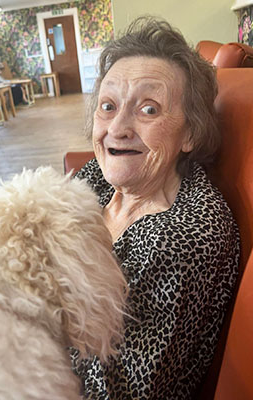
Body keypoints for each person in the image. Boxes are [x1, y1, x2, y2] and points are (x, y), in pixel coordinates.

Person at [69, 18, 239, 399]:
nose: (118, 128)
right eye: (108, 106)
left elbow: (113, 392)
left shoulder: (181, 240)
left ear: (191, 132)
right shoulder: (100, 175)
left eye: (148, 110)